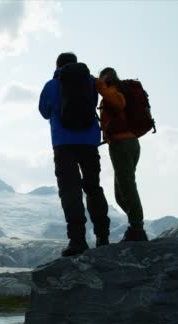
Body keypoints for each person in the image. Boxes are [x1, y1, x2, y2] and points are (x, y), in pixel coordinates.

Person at [38, 52, 110, 256]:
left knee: (70, 190)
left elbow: (44, 112)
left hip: (63, 144)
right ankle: (102, 237)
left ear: (57, 65)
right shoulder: (90, 81)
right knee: (93, 187)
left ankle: (77, 240)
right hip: (89, 142)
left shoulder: (51, 85)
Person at [95, 67, 149, 241]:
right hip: (131, 142)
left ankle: (137, 229)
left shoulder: (112, 90)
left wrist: (100, 86)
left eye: (101, 77)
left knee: (127, 187)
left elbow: (118, 104)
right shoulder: (121, 90)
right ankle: (135, 224)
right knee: (121, 193)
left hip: (122, 144)